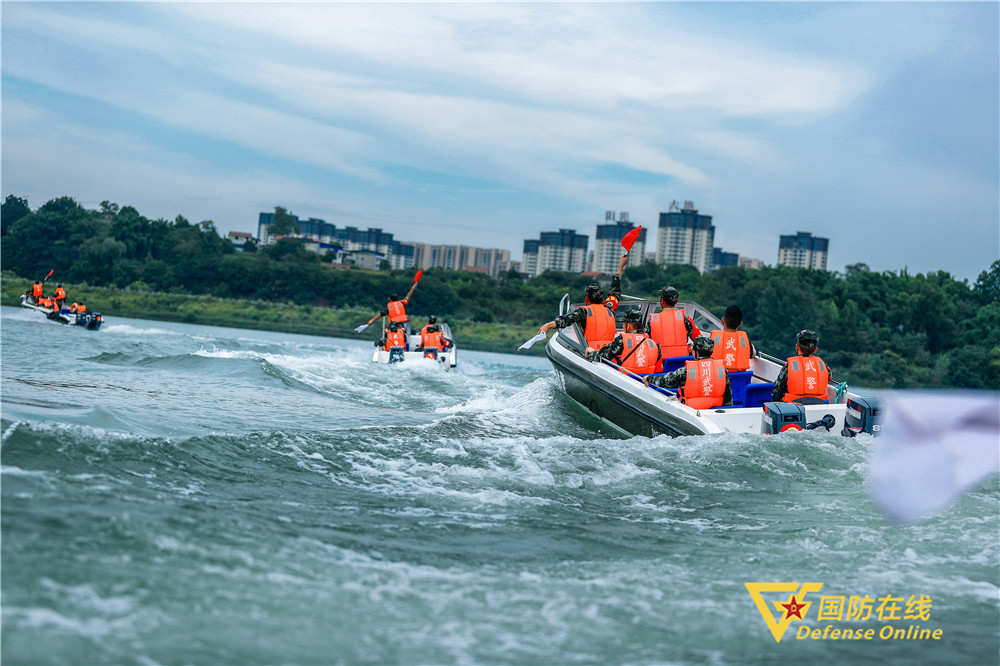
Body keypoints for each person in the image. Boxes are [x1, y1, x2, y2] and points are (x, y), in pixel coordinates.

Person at [536, 253, 629, 352]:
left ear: (586, 299)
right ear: (602, 300)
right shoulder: (610, 309)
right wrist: (621, 266)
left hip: (591, 353)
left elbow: (566, 320)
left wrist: (547, 325)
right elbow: (615, 289)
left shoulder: (583, 312)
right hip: (609, 353)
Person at [643, 336, 731, 408]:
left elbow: (666, 382)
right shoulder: (723, 370)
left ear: (695, 352)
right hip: (715, 411)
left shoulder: (686, 371)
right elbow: (728, 398)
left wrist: (649, 378)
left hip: (690, 411)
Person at [772, 330, 832, 404]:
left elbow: (777, 392)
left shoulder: (789, 367)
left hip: (794, 408)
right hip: (819, 404)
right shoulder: (823, 366)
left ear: (797, 347)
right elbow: (828, 377)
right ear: (816, 350)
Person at [647, 286, 701, 358]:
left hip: (660, 364)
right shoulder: (686, 319)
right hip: (682, 362)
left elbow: (645, 343)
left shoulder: (652, 320)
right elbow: (700, 340)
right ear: (676, 301)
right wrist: (690, 349)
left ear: (662, 300)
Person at [709, 305, 756, 372]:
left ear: (723, 321)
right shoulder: (744, 340)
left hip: (718, 379)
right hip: (739, 381)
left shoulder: (713, 339)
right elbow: (753, 354)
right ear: (740, 324)